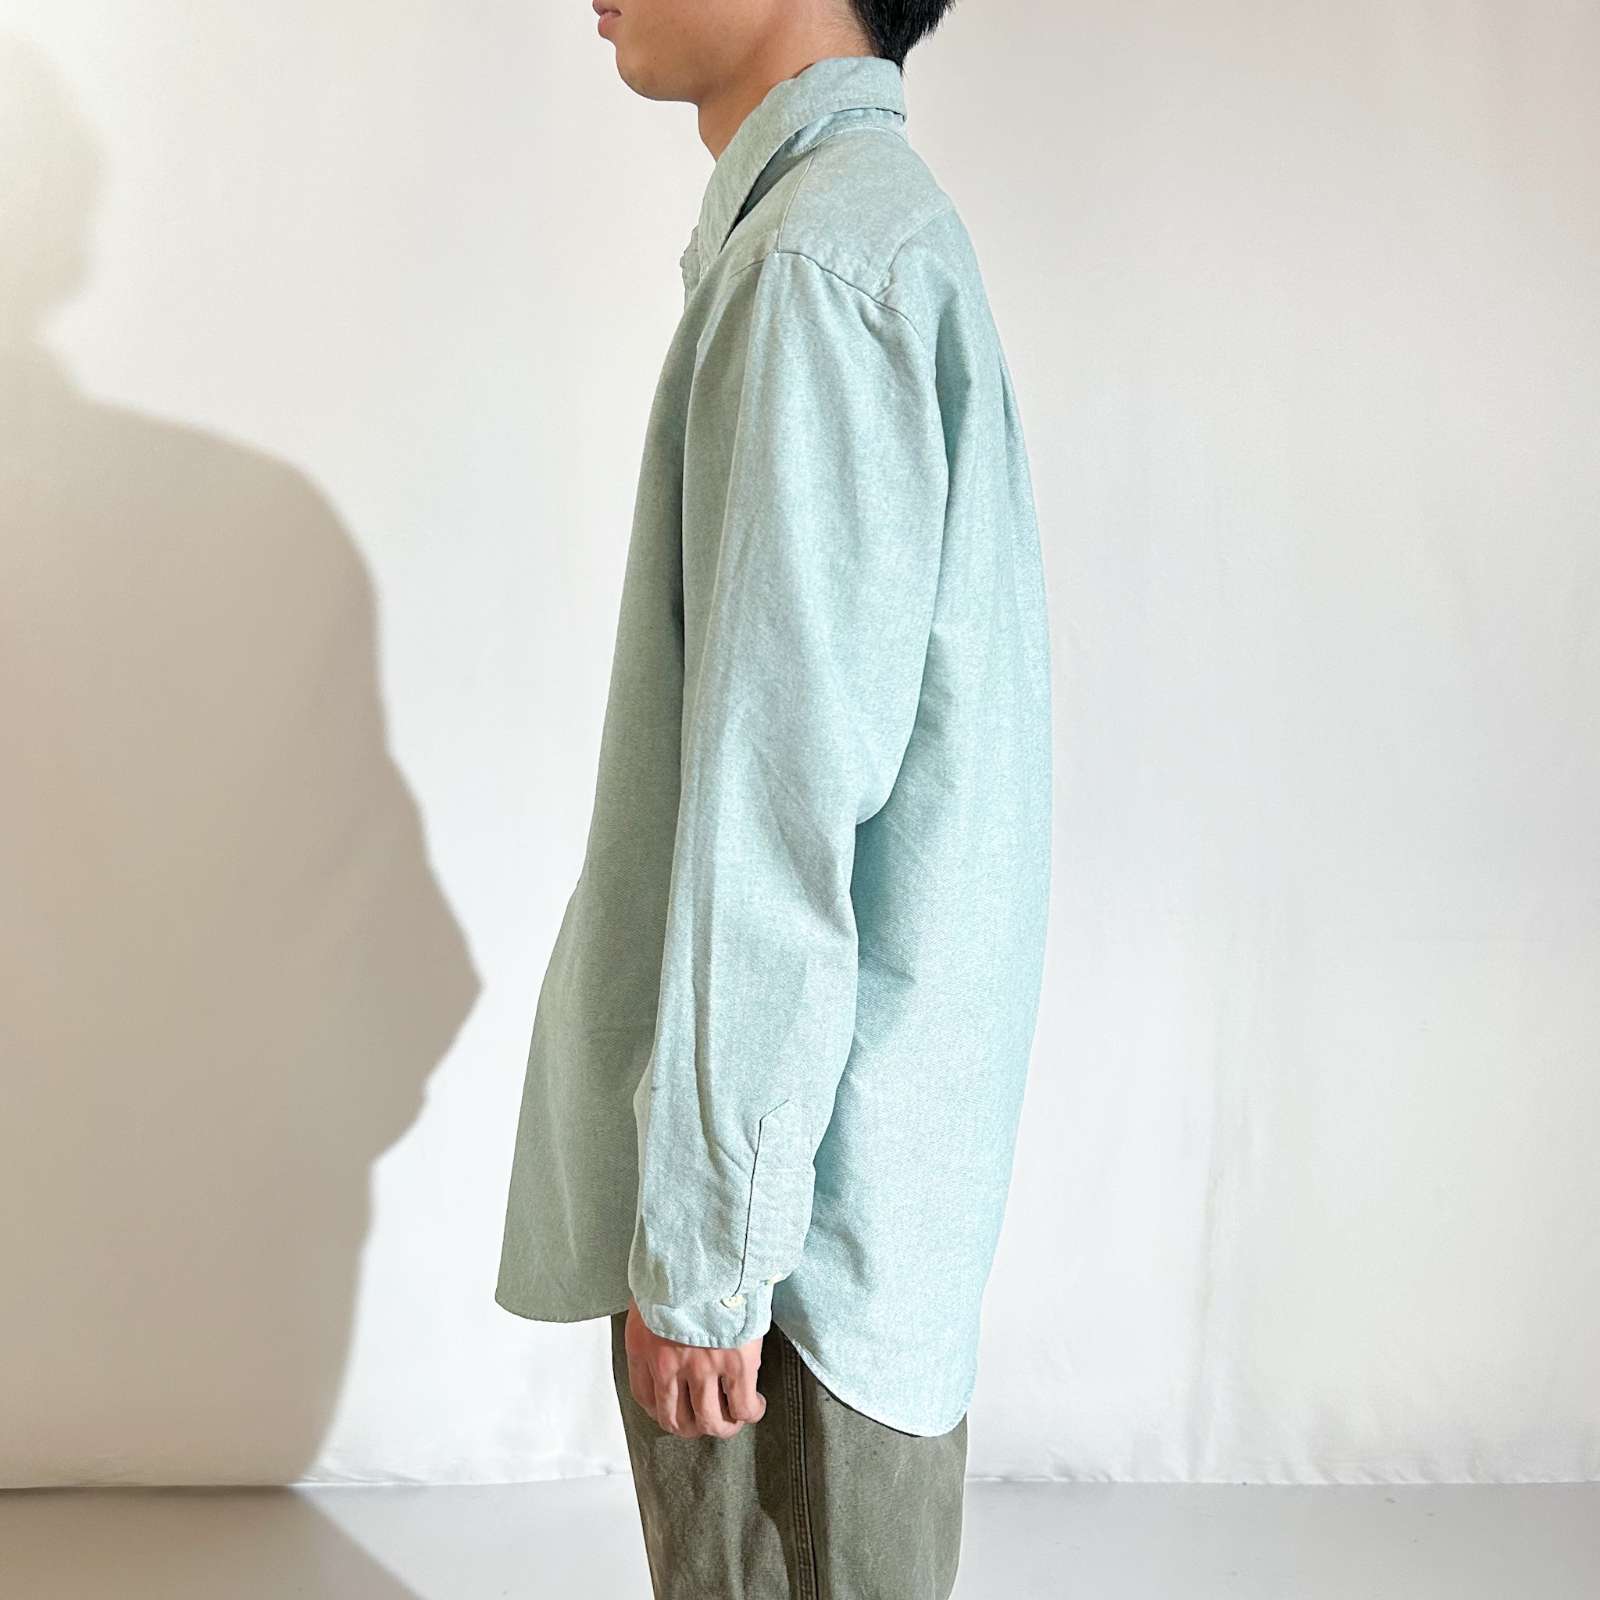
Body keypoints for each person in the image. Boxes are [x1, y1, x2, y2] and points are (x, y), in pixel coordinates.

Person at [496, 2, 1052, 1594]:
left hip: (792, 1260)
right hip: (834, 1213)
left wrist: (710, 1256)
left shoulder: (817, 271)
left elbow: (782, 814)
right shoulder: (859, 238)